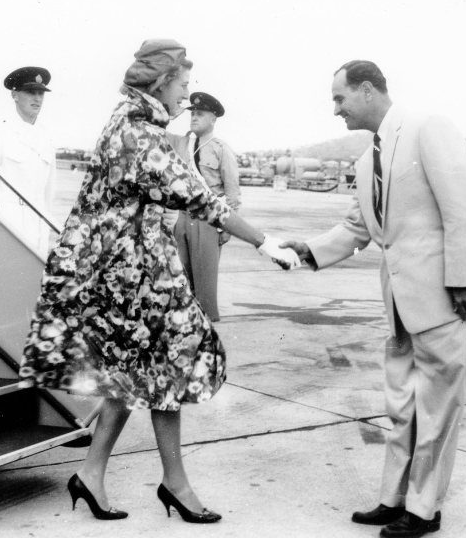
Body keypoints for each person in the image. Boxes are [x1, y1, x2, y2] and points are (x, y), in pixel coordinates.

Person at [18, 39, 299, 524]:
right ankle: (174, 483)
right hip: (129, 274)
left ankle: (95, 474)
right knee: (171, 361)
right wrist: (262, 240)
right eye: (184, 85)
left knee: (139, 372)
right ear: (163, 81)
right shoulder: (137, 132)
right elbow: (197, 196)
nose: (187, 96)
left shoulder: (135, 122)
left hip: (136, 268)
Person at [283, 60, 466, 538]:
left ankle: (424, 509)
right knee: (402, 405)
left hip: (444, 296)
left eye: (340, 98)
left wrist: (463, 279)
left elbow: (464, 205)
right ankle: (393, 498)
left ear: (369, 90)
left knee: (437, 406)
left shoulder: (426, 128)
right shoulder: (365, 160)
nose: (336, 110)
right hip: (399, 301)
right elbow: (360, 227)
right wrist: (310, 250)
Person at [167, 92, 241, 321]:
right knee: (180, 274)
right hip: (182, 216)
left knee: (205, 278)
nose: (194, 117)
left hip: (209, 219)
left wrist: (228, 227)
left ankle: (206, 325)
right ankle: (185, 322)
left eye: (200, 114)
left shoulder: (221, 149)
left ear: (213, 119)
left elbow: (232, 193)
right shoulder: (181, 143)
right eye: (193, 114)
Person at [0, 66, 57, 255]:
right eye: (30, 92)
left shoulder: (46, 137)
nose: (37, 98)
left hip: (38, 225)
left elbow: (49, 191)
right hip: (6, 221)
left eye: (41, 93)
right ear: (14, 95)